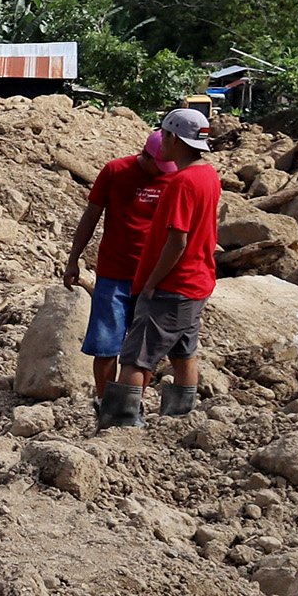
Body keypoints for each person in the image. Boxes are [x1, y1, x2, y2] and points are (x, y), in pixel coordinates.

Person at [106, 107, 223, 428]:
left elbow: (177, 241)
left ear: (173, 138)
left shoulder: (181, 183)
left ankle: (120, 424)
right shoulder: (208, 175)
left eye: (165, 135)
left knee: (136, 358)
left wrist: (151, 282)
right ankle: (179, 416)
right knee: (183, 352)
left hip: (173, 284)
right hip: (197, 282)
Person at [61, 130, 169, 424]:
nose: (164, 170)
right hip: (114, 275)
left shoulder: (175, 177)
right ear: (145, 155)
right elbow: (91, 216)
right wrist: (73, 260)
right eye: (160, 164)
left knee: (143, 352)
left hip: (153, 278)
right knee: (106, 346)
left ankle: (132, 405)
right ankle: (106, 403)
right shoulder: (116, 171)